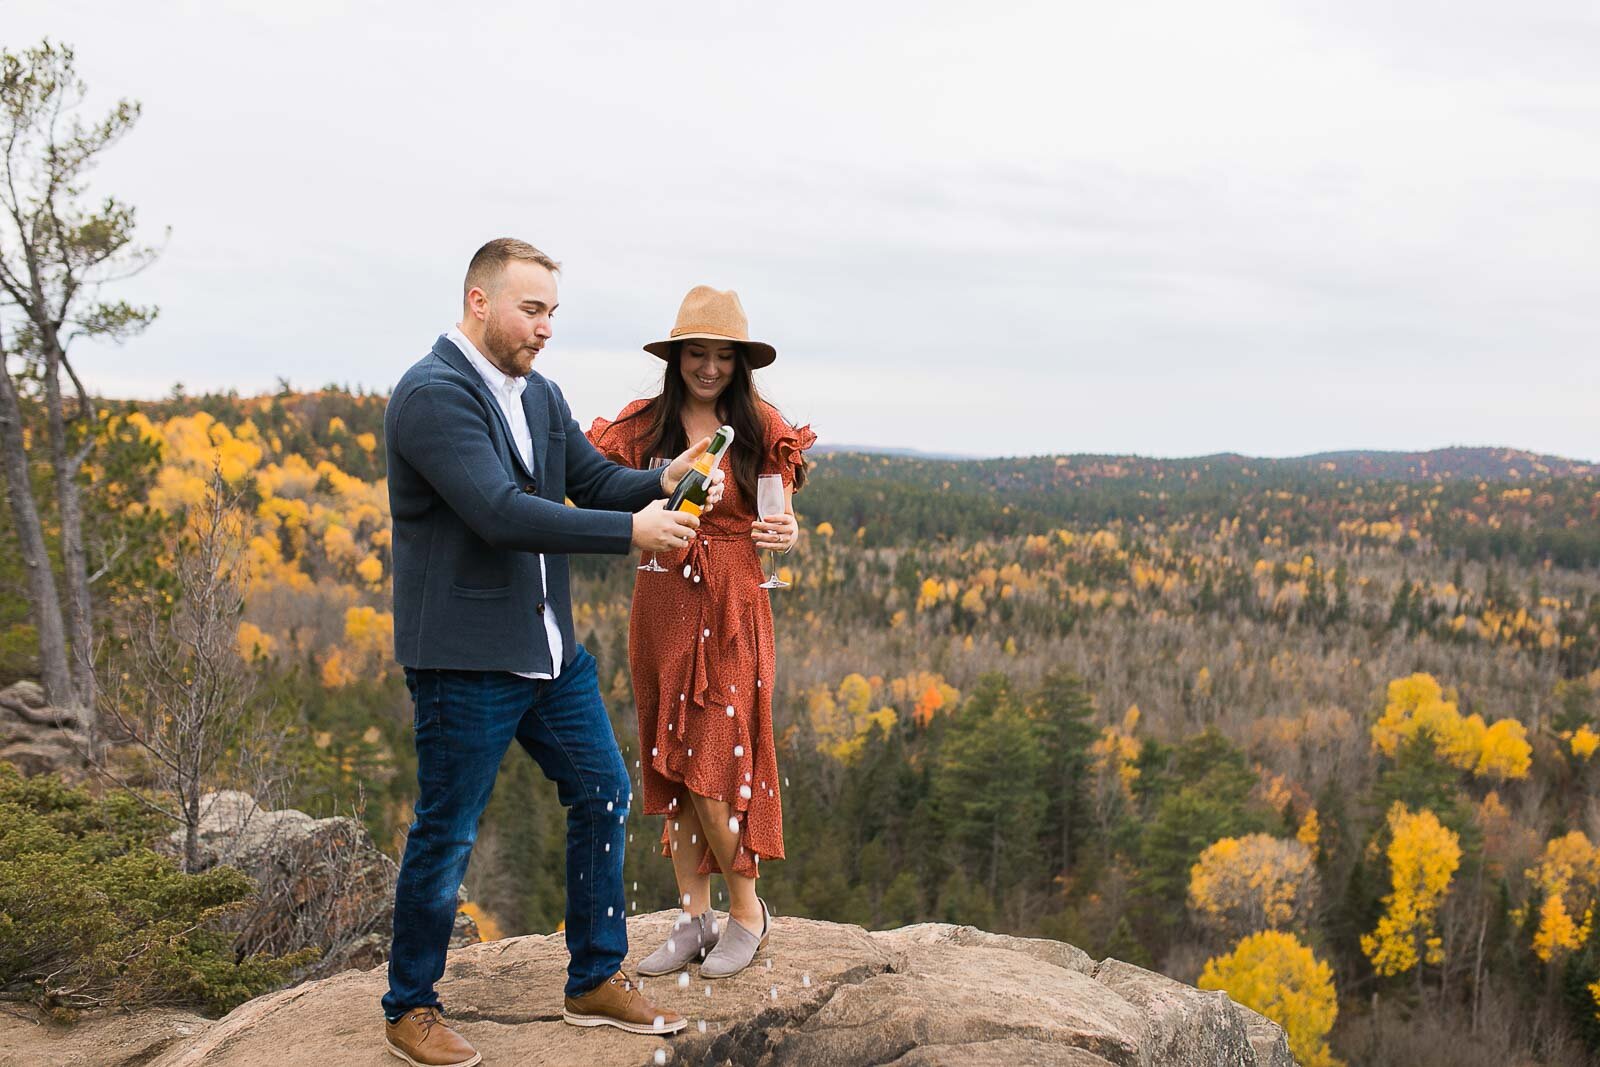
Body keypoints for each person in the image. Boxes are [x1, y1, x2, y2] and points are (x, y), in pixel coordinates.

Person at [381, 239, 725, 1067]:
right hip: (464, 660)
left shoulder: (539, 396)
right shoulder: (432, 397)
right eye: (531, 310)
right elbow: (500, 513)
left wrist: (659, 476)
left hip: (546, 650)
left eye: (551, 314)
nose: (544, 329)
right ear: (478, 302)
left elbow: (591, 482)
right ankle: (410, 1006)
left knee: (604, 791)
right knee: (449, 830)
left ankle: (593, 979)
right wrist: (633, 533)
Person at [588, 285, 816, 980]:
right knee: (672, 757)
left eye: (723, 355)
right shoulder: (644, 426)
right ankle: (694, 917)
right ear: (677, 355)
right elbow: (597, 488)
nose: (709, 367)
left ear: (740, 362)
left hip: (733, 601)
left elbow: (781, 512)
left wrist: (787, 529)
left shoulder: (760, 423)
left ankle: (747, 910)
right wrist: (657, 493)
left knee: (716, 754)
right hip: (660, 601)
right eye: (698, 352)